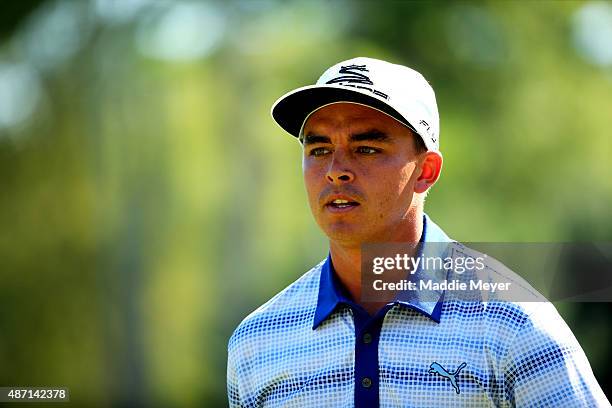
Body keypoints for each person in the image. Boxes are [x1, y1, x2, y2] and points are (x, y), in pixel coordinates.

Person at [226, 57, 610, 407]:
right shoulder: (257, 341)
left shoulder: (512, 323)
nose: (335, 170)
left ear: (425, 172)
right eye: (319, 149)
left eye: (367, 149)